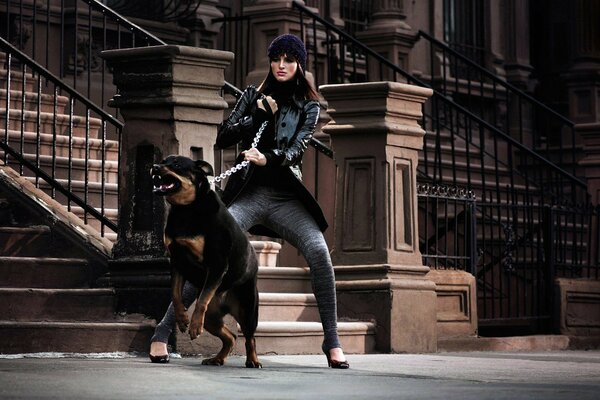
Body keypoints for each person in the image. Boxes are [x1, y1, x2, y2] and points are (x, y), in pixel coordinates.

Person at [149, 34, 349, 369]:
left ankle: (332, 342)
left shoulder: (309, 106)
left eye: (289, 59)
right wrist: (255, 116)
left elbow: (297, 148)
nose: (281, 65)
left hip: (287, 197)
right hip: (249, 194)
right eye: (276, 59)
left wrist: (267, 158)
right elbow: (223, 135)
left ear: (299, 64)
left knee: (318, 251)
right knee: (211, 251)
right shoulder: (254, 95)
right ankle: (161, 332)